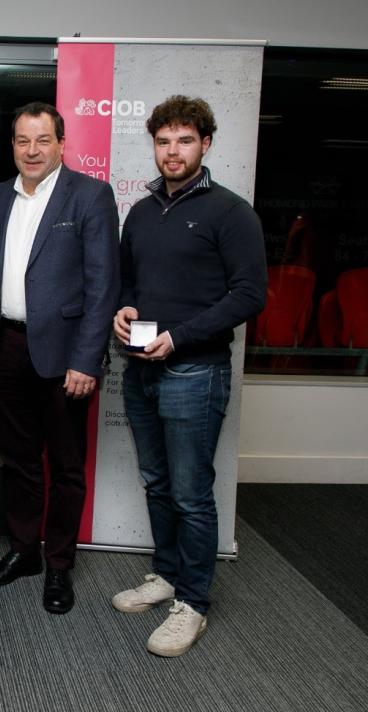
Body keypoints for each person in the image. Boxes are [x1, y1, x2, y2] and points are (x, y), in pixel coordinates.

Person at [112, 95, 266, 657]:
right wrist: (124, 309)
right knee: (156, 482)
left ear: (205, 144)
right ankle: (168, 574)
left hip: (194, 373)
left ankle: (193, 604)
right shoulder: (144, 209)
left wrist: (179, 336)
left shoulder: (231, 212)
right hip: (140, 369)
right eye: (162, 141)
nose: (171, 151)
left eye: (183, 140)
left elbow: (250, 294)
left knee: (191, 494)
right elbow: (130, 279)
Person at [0, 102, 120, 615]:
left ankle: (58, 564)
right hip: (5, 346)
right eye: (21, 141)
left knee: (65, 464)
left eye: (42, 140)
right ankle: (23, 551)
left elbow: (104, 286)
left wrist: (86, 359)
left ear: (62, 144)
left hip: (65, 356)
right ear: (12, 145)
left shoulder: (90, 195)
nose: (31, 150)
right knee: (17, 460)